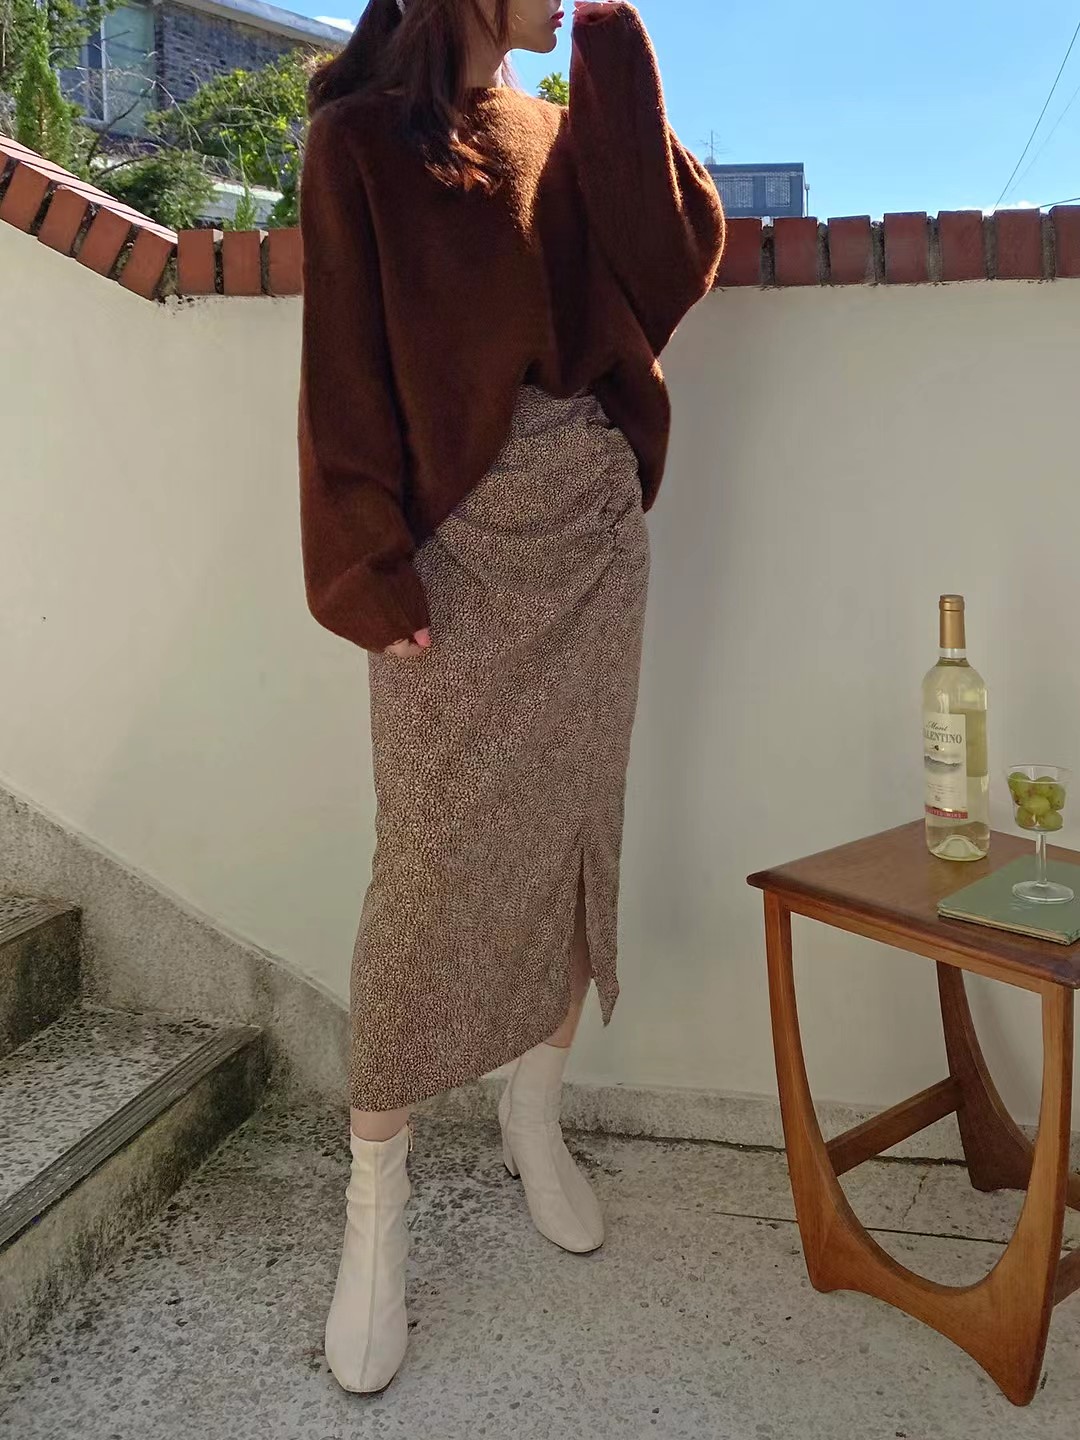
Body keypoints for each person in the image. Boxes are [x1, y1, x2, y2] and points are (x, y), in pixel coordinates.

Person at [297, 0, 725, 1394]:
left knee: (572, 837)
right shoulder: (362, 142)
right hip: (453, 550)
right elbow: (343, 367)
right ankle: (376, 1206)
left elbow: (673, 262)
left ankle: (535, 1114)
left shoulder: (569, 122)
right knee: (428, 870)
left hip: (592, 529)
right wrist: (363, 566)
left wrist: (616, 51)